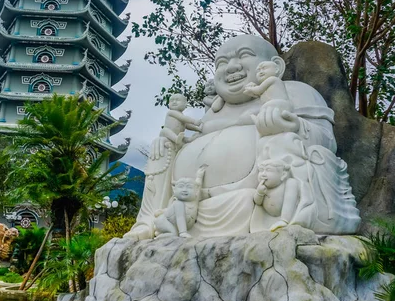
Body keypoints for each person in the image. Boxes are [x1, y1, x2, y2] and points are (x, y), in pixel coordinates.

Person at [126, 35, 348, 239]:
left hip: (254, 197)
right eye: (221, 63)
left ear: (276, 66)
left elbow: (327, 141)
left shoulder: (292, 91)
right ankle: (147, 221)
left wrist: (289, 124)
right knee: (162, 145)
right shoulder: (212, 111)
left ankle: (277, 219)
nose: (231, 67)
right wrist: (173, 142)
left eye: (243, 56)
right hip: (187, 200)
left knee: (280, 141)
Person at [153, 165, 207, 238]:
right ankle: (158, 238)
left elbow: (198, 185)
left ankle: (160, 236)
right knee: (173, 234)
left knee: (173, 233)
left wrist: (199, 176)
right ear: (174, 190)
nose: (184, 189)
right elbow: (180, 217)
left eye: (189, 187)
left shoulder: (194, 200)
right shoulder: (178, 204)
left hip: (172, 224)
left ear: (196, 191)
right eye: (181, 186)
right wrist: (183, 232)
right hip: (163, 221)